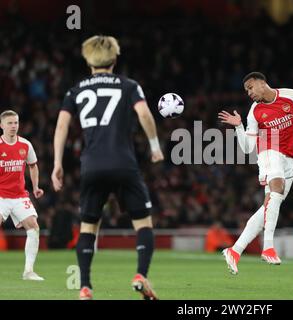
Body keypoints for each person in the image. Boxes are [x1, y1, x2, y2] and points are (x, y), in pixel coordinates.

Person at [51, 35, 164, 300]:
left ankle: (85, 287)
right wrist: (155, 146)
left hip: (91, 166)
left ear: (88, 59)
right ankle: (140, 275)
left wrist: (57, 162)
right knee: (143, 224)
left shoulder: (76, 90)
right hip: (123, 163)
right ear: (115, 58)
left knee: (89, 227)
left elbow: (61, 125)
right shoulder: (129, 86)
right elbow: (145, 114)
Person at [218, 72, 293, 275]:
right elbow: (247, 148)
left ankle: (235, 250)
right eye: (246, 90)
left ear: (262, 83)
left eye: (251, 87)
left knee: (270, 205)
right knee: (277, 188)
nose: (249, 93)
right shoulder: (254, 112)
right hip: (268, 151)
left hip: (290, 159)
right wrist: (239, 127)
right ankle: (268, 247)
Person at [0, 110, 45, 280]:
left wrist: (36, 187)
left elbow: (33, 166)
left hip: (19, 196)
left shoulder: (25, 145)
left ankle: (28, 271)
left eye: (16, 123)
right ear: (2, 125)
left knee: (34, 227)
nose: (13, 126)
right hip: (1, 196)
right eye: (10, 123)